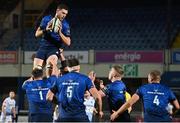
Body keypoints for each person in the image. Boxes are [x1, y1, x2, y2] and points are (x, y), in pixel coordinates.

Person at [110, 70, 180, 122]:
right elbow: (177, 107)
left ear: (150, 79)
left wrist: (117, 112)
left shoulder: (143, 88)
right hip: (165, 120)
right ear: (159, 79)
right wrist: (172, 114)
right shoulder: (167, 89)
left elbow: (129, 103)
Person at [34, 4, 71, 69]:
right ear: (57, 11)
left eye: (66, 14)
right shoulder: (46, 19)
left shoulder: (65, 25)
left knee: (50, 67)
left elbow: (68, 42)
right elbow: (36, 34)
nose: (64, 16)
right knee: (36, 71)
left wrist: (60, 33)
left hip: (54, 49)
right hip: (43, 47)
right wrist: (46, 30)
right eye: (63, 13)